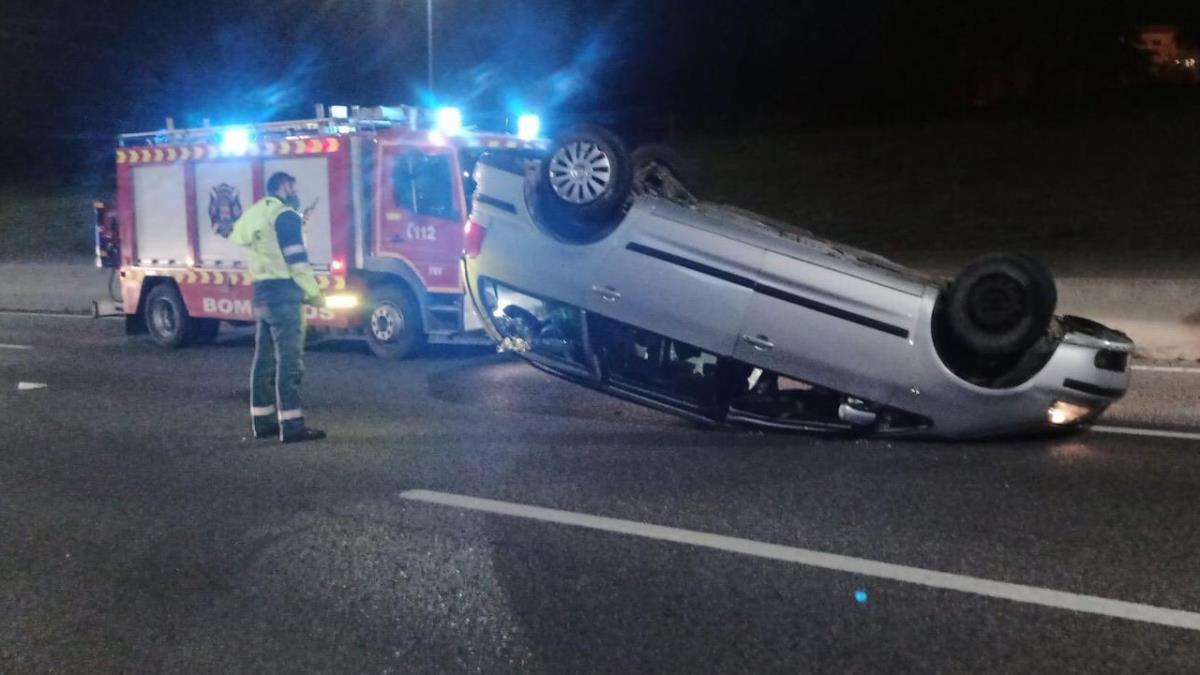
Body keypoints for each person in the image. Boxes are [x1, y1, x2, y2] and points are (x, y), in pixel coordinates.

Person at [230, 171, 326, 443]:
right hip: (285, 293)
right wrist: (314, 292)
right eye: (293, 188)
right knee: (290, 362)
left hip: (261, 293)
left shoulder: (256, 213)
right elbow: (296, 260)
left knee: (264, 361)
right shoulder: (284, 215)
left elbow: (252, 240)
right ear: (284, 187)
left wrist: (299, 225)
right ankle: (292, 426)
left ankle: (262, 422)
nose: (296, 193)